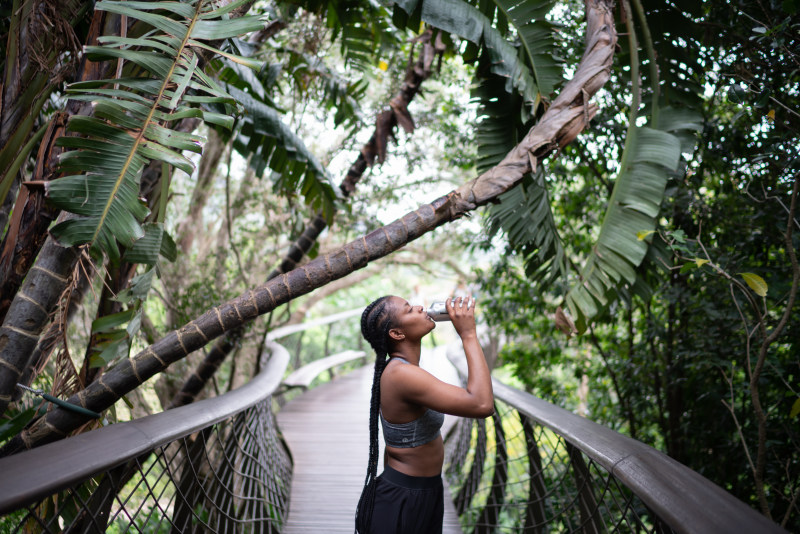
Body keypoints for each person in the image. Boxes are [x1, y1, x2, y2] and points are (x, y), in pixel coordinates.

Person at [355, 295, 494, 534]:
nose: (420, 307)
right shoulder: (402, 375)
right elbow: (482, 404)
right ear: (397, 334)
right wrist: (468, 335)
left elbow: (393, 445)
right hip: (404, 499)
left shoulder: (404, 370)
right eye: (409, 310)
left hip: (421, 492)